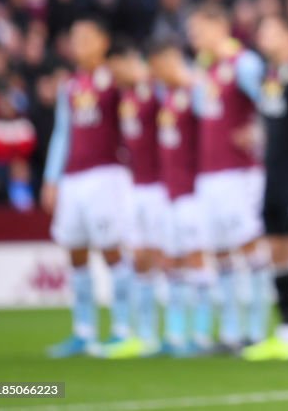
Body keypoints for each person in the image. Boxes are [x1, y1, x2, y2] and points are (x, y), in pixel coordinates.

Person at [41, 16, 134, 357]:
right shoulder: (72, 85)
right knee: (75, 251)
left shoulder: (116, 79)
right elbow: (63, 133)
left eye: (86, 37)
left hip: (107, 174)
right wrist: (52, 178)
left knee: (112, 250)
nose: (78, 43)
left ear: (103, 41)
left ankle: (124, 328)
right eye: (74, 37)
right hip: (74, 178)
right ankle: (84, 330)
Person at [186, 1, 268, 353]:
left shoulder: (244, 63)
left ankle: (258, 327)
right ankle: (232, 330)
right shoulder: (205, 69)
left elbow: (270, 101)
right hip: (210, 172)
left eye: (199, 31)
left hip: (240, 172)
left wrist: (260, 131)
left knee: (248, 246)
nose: (194, 38)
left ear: (220, 28)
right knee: (219, 252)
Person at [243, 14, 288, 361]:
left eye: (270, 28)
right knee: (275, 249)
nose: (262, 35)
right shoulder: (267, 76)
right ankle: (286, 328)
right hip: (270, 171)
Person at [149, 38, 215, 357]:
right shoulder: (168, 97)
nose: (158, 72)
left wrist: (194, 81)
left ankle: (200, 333)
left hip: (192, 190)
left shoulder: (194, 92)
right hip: (169, 189)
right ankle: (175, 333)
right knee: (170, 260)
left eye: (162, 65)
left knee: (195, 257)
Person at [104, 40, 165, 358]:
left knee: (164, 256)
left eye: (118, 67)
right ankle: (145, 333)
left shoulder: (156, 91)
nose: (115, 75)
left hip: (160, 185)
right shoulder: (125, 96)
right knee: (139, 255)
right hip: (134, 183)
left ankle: (185, 332)